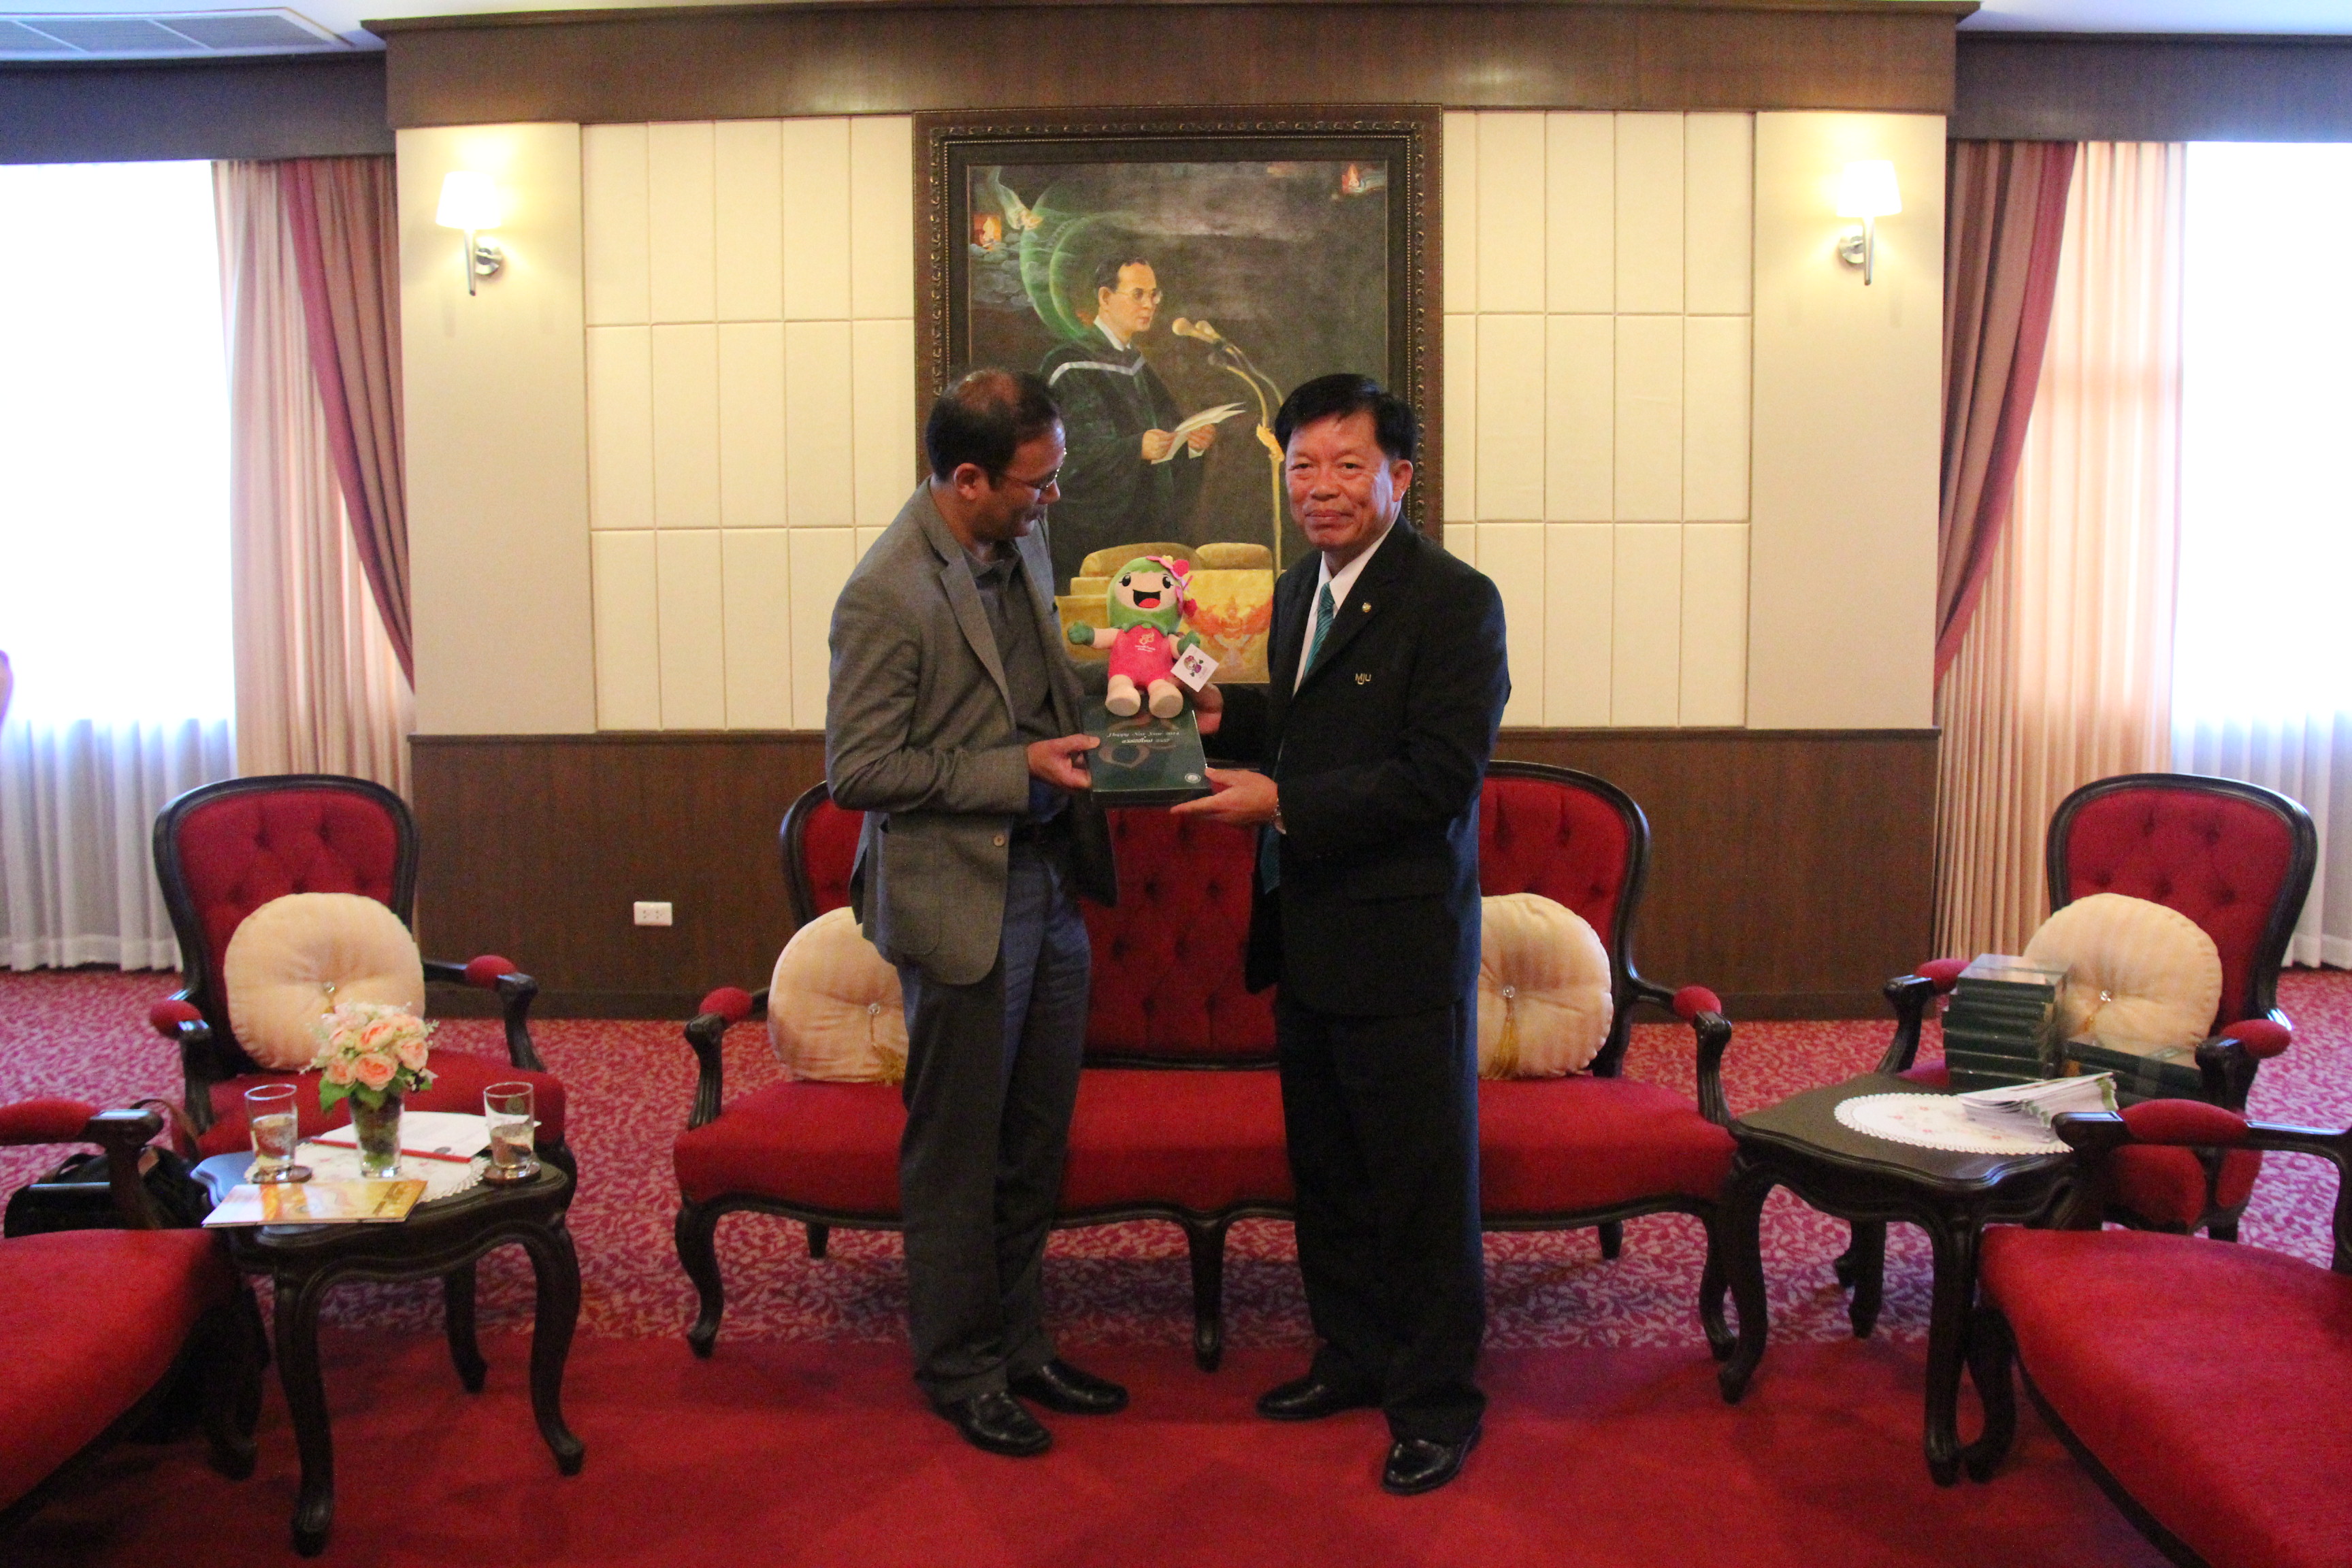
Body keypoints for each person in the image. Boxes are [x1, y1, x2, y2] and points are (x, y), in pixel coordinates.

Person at [1173, 373, 1509, 1494]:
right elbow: (1318, 721)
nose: (1321, 488)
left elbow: (1437, 775)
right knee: (1329, 1173)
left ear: (1398, 475)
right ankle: (1352, 1356)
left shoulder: (1454, 601)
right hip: (1307, 933)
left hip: (1401, 945)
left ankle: (1436, 1402)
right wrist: (1231, 715)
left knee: (1419, 1185)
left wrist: (1282, 803)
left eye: (1346, 465)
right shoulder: (1297, 589)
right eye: (1303, 466)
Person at [825, 369, 1128, 1458]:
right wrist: (1015, 771)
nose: (1052, 499)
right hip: (960, 898)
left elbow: (1042, 688)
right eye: (1036, 483)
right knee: (959, 1151)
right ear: (967, 479)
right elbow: (859, 770)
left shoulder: (1019, 540)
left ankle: (1022, 1345)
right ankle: (961, 1369)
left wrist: (1148, 685)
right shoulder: (885, 592)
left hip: (1048, 882)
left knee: (1034, 1140)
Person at [1037, 255, 1216, 585]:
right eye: (1138, 294)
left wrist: (1191, 445)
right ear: (1105, 298)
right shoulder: (1069, 366)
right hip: (1091, 546)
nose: (1149, 304)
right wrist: (1136, 448)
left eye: (1154, 295)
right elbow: (1068, 462)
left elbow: (1169, 438)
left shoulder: (1137, 366)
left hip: (1144, 540)